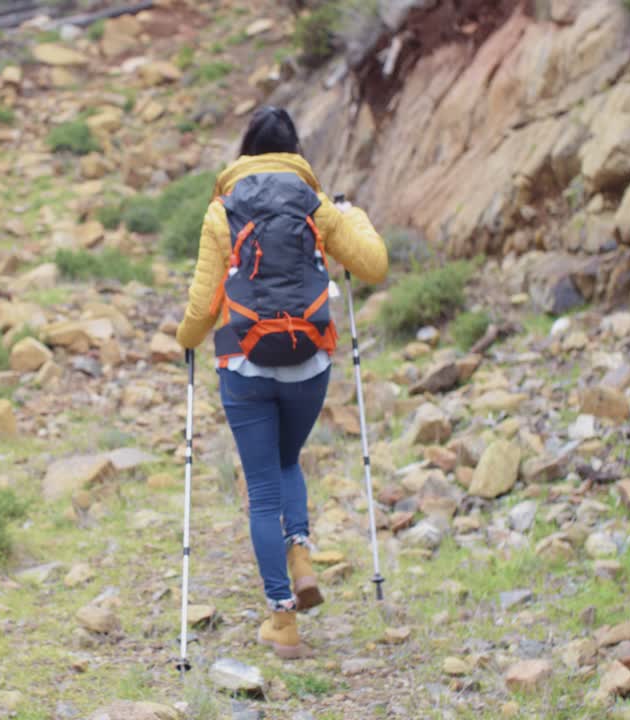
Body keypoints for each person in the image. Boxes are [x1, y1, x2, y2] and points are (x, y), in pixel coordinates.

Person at [175, 106, 389, 659]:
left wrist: (184, 339)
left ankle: (283, 620)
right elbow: (374, 265)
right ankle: (300, 555)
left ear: (246, 151)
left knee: (262, 489)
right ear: (294, 150)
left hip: (244, 368)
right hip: (308, 365)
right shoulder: (314, 205)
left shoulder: (222, 210)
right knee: (288, 459)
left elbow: (202, 309)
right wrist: (354, 215)